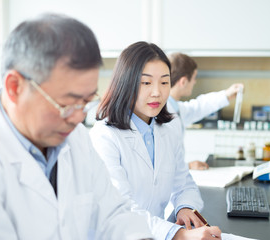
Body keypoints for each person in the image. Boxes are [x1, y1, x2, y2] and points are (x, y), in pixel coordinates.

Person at [0, 14, 153, 240]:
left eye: (85, 102)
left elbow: (113, 215)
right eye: (65, 104)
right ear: (15, 87)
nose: (77, 118)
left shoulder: (77, 139)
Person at [89, 41, 222, 240]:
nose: (157, 92)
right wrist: (180, 235)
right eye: (146, 83)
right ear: (126, 83)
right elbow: (121, 208)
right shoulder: (105, 135)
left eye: (164, 82)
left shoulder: (170, 126)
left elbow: (184, 183)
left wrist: (184, 208)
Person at [167, 53, 244, 170]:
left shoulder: (176, 108)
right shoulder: (161, 112)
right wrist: (188, 166)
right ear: (183, 82)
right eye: (194, 78)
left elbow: (198, 107)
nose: (195, 82)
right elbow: (161, 161)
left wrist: (226, 95)